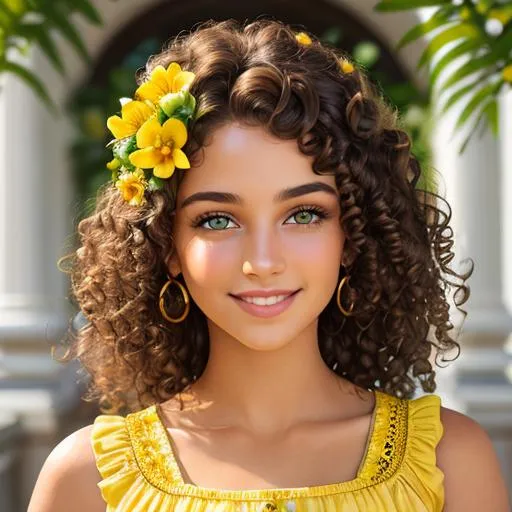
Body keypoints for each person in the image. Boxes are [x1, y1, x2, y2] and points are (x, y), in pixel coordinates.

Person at [28, 19, 510, 512]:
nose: (262, 261)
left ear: (352, 235)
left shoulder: (448, 463)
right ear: (166, 244)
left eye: (304, 215)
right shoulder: (86, 481)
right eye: (217, 220)